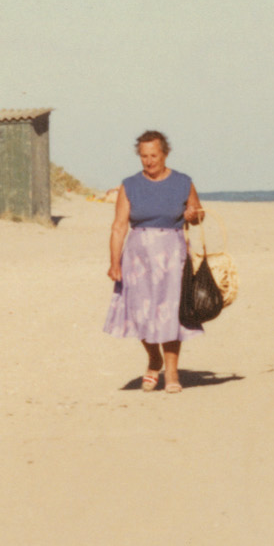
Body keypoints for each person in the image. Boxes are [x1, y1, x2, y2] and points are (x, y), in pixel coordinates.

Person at [105, 130, 205, 394]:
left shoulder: (183, 181)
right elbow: (118, 227)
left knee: (171, 312)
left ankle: (171, 372)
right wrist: (114, 263)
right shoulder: (129, 184)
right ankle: (154, 359)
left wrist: (193, 215)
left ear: (165, 153)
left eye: (153, 156)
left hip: (172, 253)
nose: (148, 161)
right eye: (143, 156)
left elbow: (197, 217)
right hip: (138, 255)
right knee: (140, 310)